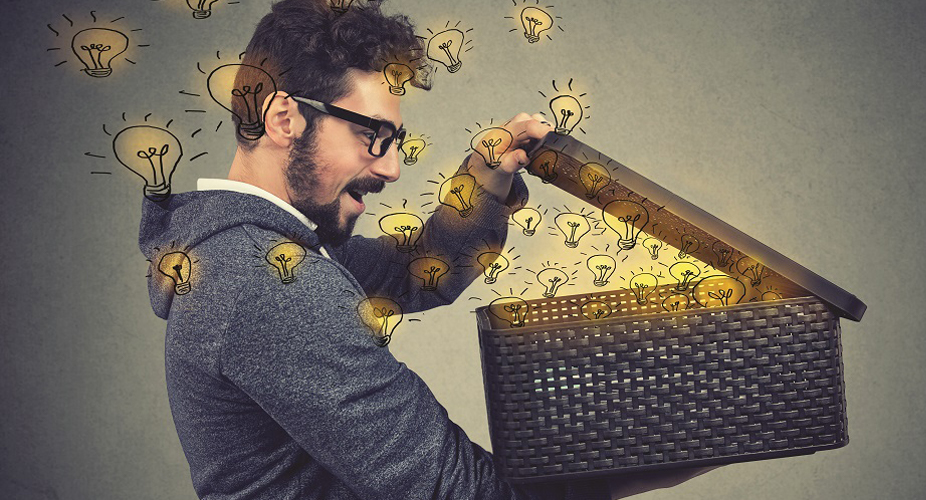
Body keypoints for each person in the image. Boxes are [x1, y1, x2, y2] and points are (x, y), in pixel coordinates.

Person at [139, 1, 717, 498]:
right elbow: (453, 493)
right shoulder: (267, 286)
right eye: (374, 137)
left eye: (396, 142)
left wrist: (484, 180)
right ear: (285, 117)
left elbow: (416, 270)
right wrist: (671, 447)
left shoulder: (252, 255)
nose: (391, 168)